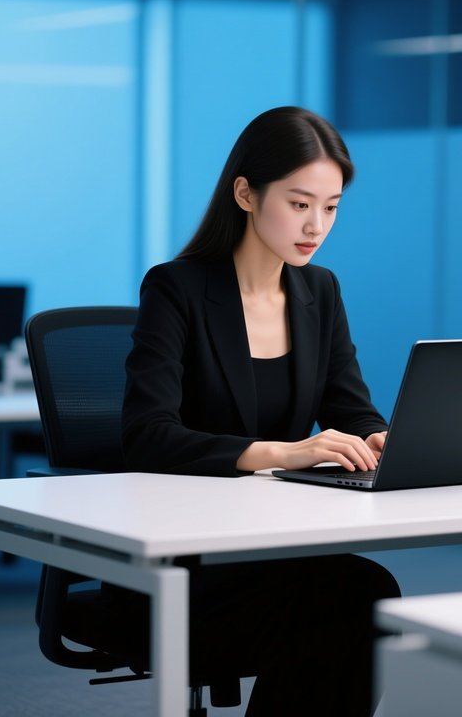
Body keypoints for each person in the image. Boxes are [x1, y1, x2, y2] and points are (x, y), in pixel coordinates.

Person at [122, 106, 401, 716]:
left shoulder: (318, 290)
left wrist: (381, 440)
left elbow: (352, 407)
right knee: (351, 600)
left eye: (330, 208)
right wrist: (281, 453)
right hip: (188, 559)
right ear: (245, 193)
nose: (317, 225)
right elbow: (148, 435)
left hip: (274, 545)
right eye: (300, 204)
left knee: (367, 594)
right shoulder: (177, 288)